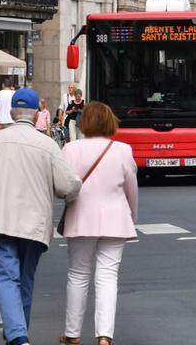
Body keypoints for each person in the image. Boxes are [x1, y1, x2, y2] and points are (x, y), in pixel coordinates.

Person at [0, 87, 81, 345]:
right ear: (37, 112)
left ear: (12, 111)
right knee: (24, 281)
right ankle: (18, 336)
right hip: (34, 225)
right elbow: (67, 186)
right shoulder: (47, 144)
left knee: (6, 278)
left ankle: (18, 338)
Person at [60, 102, 137, 345]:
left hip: (81, 217)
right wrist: (131, 217)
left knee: (78, 274)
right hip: (116, 218)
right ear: (110, 121)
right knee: (107, 277)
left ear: (84, 123)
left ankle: (72, 334)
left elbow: (63, 186)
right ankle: (105, 335)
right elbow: (131, 189)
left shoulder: (70, 149)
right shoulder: (123, 150)